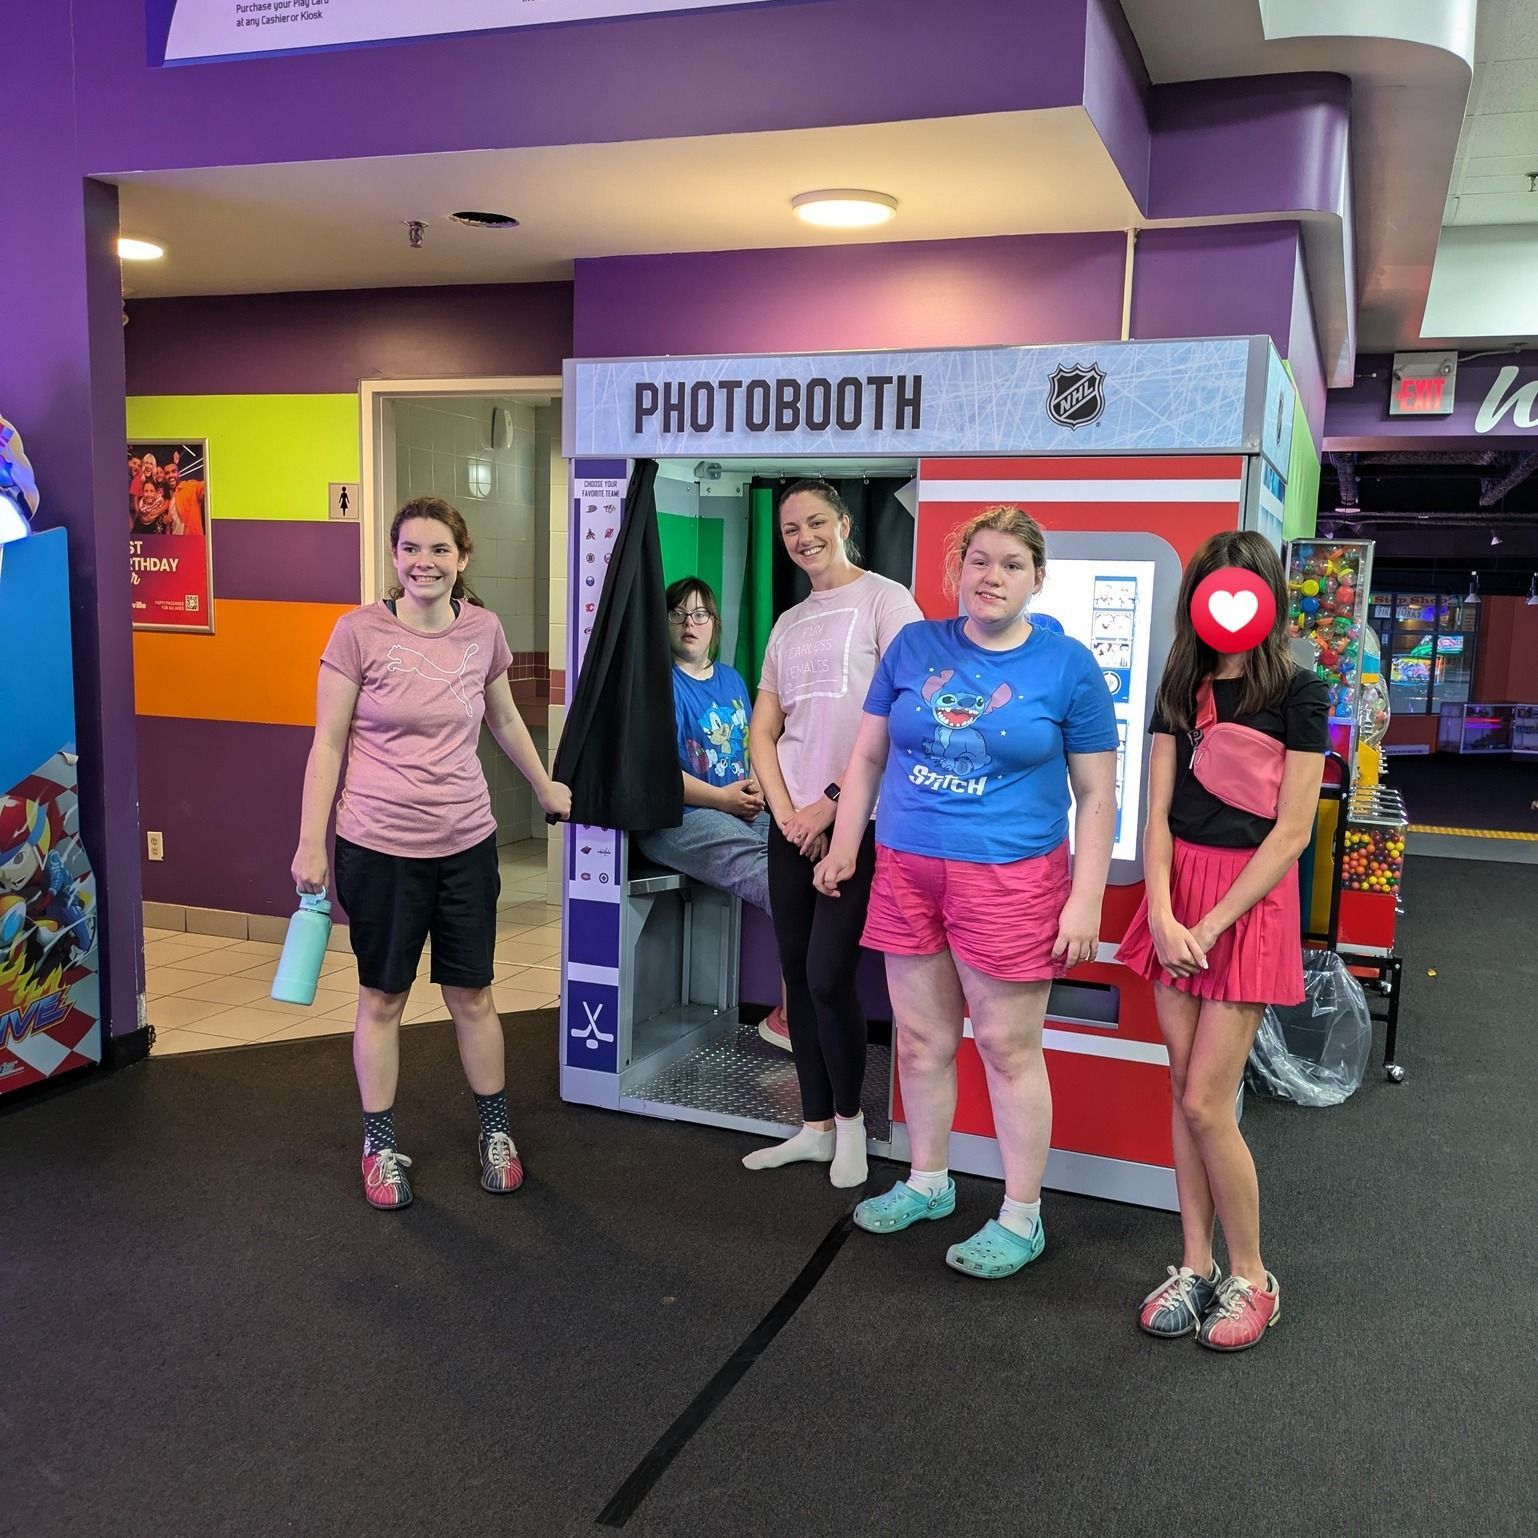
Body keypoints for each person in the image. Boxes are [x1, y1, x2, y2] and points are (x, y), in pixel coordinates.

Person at [814, 505, 1118, 1277]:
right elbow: (870, 757)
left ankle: (1022, 1218)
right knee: (919, 1043)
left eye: (1012, 564)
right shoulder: (915, 646)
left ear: (1038, 579)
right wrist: (846, 846)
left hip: (1013, 879)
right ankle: (928, 1181)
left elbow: (1098, 796)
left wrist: (1086, 900)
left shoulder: (1068, 666)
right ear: (957, 571)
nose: (992, 577)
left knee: (1009, 1049)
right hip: (909, 869)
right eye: (979, 561)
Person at [290, 495, 572, 1211]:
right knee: (383, 997)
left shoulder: (483, 630)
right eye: (411, 549)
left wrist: (545, 787)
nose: (425, 563)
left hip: (466, 843)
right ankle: (379, 1145)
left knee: (472, 993)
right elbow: (326, 744)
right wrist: (309, 844)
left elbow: (504, 716)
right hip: (378, 846)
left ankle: (496, 1132)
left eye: (439, 550)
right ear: (393, 557)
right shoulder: (356, 633)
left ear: (463, 558)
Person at [1116, 530, 1327, 1351]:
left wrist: (1207, 924)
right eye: (1212, 582)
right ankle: (1194, 1266)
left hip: (1248, 904)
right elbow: (1158, 811)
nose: (1225, 596)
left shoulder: (1302, 694)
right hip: (1179, 899)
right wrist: (1165, 915)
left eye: (1240, 583)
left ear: (1264, 594)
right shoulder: (1181, 683)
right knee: (1181, 1087)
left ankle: (1254, 1278)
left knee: (1208, 1098)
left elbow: (1292, 834)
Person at [745, 479, 922, 1187]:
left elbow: (902, 719)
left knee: (827, 977)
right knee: (794, 974)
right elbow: (764, 729)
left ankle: (849, 1126)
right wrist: (790, 813)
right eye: (791, 528)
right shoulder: (788, 622)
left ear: (844, 523)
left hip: (860, 823)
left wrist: (830, 804)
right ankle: (814, 1126)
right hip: (791, 826)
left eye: (817, 521)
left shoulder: (887, 601)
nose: (804, 537)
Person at [633, 575, 788, 1047]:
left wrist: (760, 787)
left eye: (700, 614)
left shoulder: (732, 679)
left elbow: (754, 747)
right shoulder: (658, 685)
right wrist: (724, 798)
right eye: (678, 613)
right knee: (777, 881)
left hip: (740, 808)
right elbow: (655, 774)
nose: (689, 623)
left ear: (714, 623)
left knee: (802, 859)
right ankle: (794, 1014)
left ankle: (797, 1008)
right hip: (678, 817)